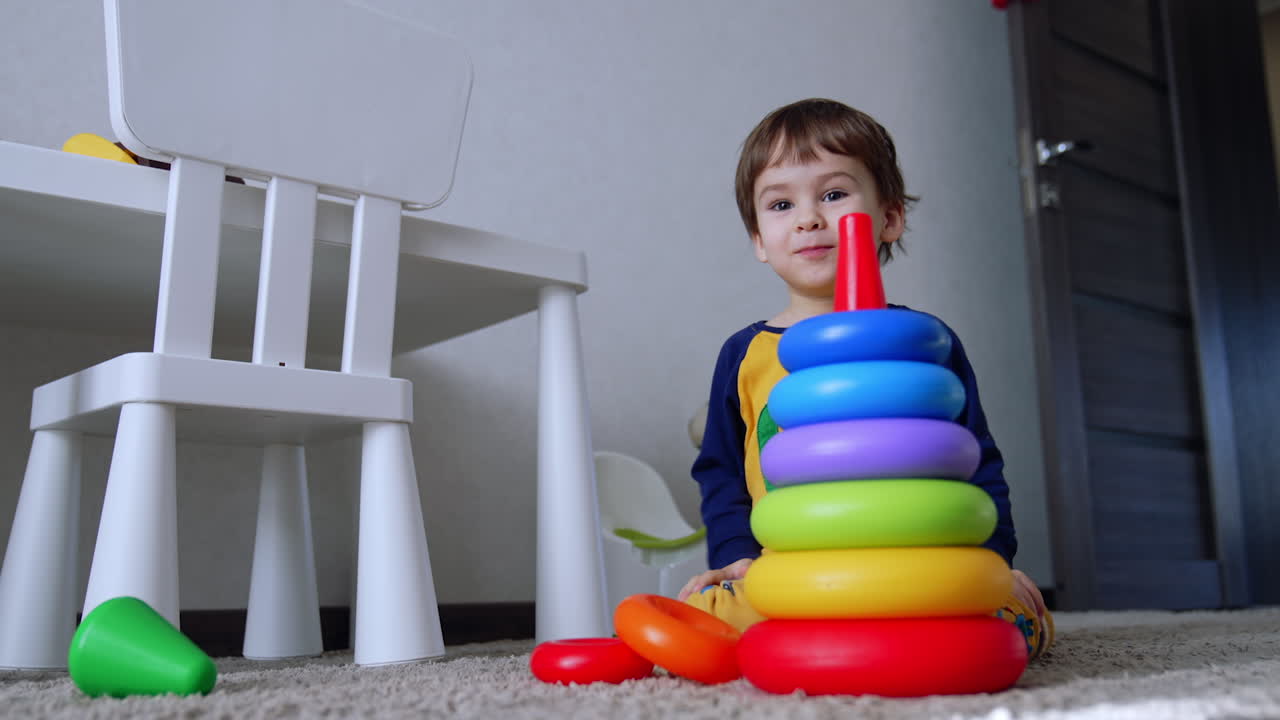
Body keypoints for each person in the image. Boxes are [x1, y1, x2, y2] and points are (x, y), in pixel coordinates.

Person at [676, 98, 1053, 658]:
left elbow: (974, 460)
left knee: (1010, 610)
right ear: (758, 238)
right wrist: (736, 557)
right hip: (793, 570)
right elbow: (721, 470)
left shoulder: (925, 342)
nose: (808, 218)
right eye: (781, 204)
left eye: (833, 195)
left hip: (919, 563)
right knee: (700, 614)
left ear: (890, 217)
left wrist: (995, 558)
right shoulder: (744, 353)